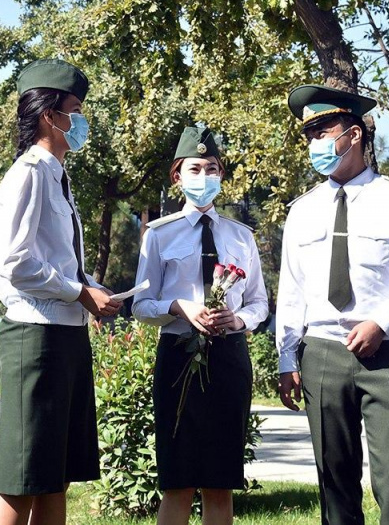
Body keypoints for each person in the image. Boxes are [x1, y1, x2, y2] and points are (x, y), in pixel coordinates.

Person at [276, 84, 389, 525]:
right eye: (308, 135)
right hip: (323, 354)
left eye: (322, 132)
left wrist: (383, 322)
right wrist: (286, 357)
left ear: (353, 134)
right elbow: (292, 290)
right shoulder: (302, 211)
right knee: (334, 481)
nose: (314, 143)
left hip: (387, 352)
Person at [0, 59, 122, 525]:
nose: (81, 122)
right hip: (35, 337)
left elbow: (54, 261)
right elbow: (15, 263)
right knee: (22, 480)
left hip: (64, 335)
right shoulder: (27, 173)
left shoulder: (57, 177)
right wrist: (80, 293)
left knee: (55, 475)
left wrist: (89, 288)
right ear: (50, 116)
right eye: (76, 110)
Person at [132, 125, 269, 525]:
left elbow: (260, 301)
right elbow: (141, 305)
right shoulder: (158, 235)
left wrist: (239, 319)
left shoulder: (241, 236)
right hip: (177, 358)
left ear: (221, 174)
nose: (204, 177)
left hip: (229, 359)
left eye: (212, 168)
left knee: (220, 481)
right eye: (195, 169)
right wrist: (178, 307)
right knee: (178, 480)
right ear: (177, 175)